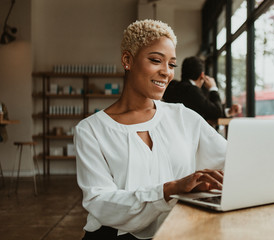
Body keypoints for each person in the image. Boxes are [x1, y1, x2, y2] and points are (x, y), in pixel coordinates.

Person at [75, 19, 227, 240]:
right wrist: (169, 189)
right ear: (128, 60)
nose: (166, 72)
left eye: (172, 64)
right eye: (156, 60)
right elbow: (100, 203)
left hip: (175, 232)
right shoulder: (90, 130)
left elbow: (232, 161)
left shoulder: (184, 117)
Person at [162, 56, 241, 122]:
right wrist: (213, 88)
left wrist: (229, 112)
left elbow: (206, 109)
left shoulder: (172, 86)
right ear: (202, 75)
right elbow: (216, 112)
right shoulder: (191, 90)